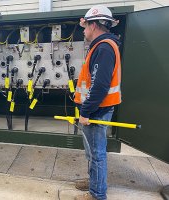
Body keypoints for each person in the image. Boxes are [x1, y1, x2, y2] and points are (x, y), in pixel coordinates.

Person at [73, 5, 122, 200]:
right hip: (96, 109)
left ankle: (97, 194)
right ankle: (94, 181)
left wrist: (85, 112)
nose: (84, 31)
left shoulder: (104, 48)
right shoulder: (102, 46)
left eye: (85, 27)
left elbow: (100, 86)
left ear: (93, 25)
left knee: (97, 154)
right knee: (92, 152)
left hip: (96, 111)